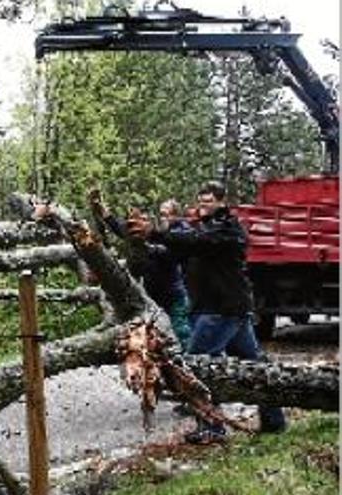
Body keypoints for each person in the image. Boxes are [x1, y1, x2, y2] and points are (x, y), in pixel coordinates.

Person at [128, 180, 287, 443]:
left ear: (222, 201)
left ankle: (212, 427)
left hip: (221, 310)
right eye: (201, 201)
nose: (204, 205)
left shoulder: (228, 229)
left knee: (196, 367)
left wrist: (155, 232)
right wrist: (122, 227)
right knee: (256, 365)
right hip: (224, 310)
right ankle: (274, 419)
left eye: (209, 201)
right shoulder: (203, 228)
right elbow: (178, 249)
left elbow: (198, 241)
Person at [89, 192, 192, 347]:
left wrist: (142, 244)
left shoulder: (176, 235)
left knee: (181, 334)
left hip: (174, 299)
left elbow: (164, 252)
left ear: (175, 216)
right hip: (153, 298)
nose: (162, 218)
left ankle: (191, 365)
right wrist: (103, 211)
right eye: (161, 214)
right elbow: (119, 228)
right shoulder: (153, 234)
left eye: (165, 215)